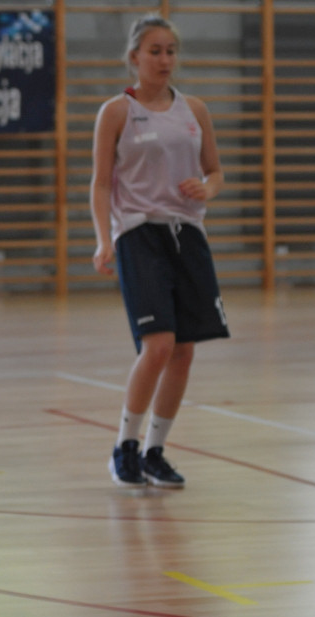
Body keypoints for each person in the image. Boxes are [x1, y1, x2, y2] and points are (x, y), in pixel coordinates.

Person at [90, 15, 229, 489]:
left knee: (184, 351)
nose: (165, 59)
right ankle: (124, 447)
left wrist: (206, 188)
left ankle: (155, 452)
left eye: (171, 50)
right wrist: (104, 237)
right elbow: (101, 182)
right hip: (138, 233)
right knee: (158, 345)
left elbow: (215, 171)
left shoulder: (195, 110)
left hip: (186, 234)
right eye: (155, 51)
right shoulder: (117, 112)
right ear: (134, 57)